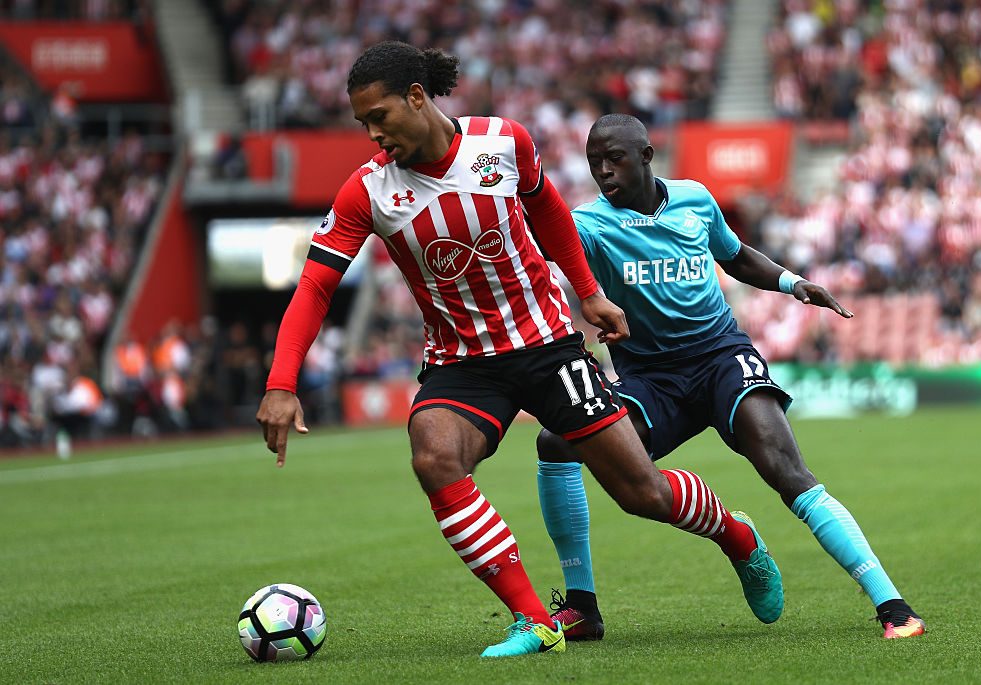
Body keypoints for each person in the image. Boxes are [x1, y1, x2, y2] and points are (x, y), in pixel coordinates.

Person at [256, 42, 783, 658]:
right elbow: (317, 283)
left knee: (643, 494)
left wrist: (588, 294)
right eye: (363, 124)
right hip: (462, 363)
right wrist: (281, 381)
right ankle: (535, 620)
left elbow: (553, 216)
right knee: (434, 457)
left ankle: (738, 535)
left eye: (381, 117)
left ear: (418, 97)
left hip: (548, 347)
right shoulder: (368, 191)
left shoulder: (502, 143)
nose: (374, 135)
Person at [536, 114, 925, 641]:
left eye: (616, 159)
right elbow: (541, 262)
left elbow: (736, 256)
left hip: (721, 358)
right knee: (556, 442)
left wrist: (792, 282)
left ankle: (893, 606)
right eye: (594, 162)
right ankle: (584, 605)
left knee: (785, 468)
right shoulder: (587, 223)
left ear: (648, 156)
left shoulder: (695, 198)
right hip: (651, 379)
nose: (604, 171)